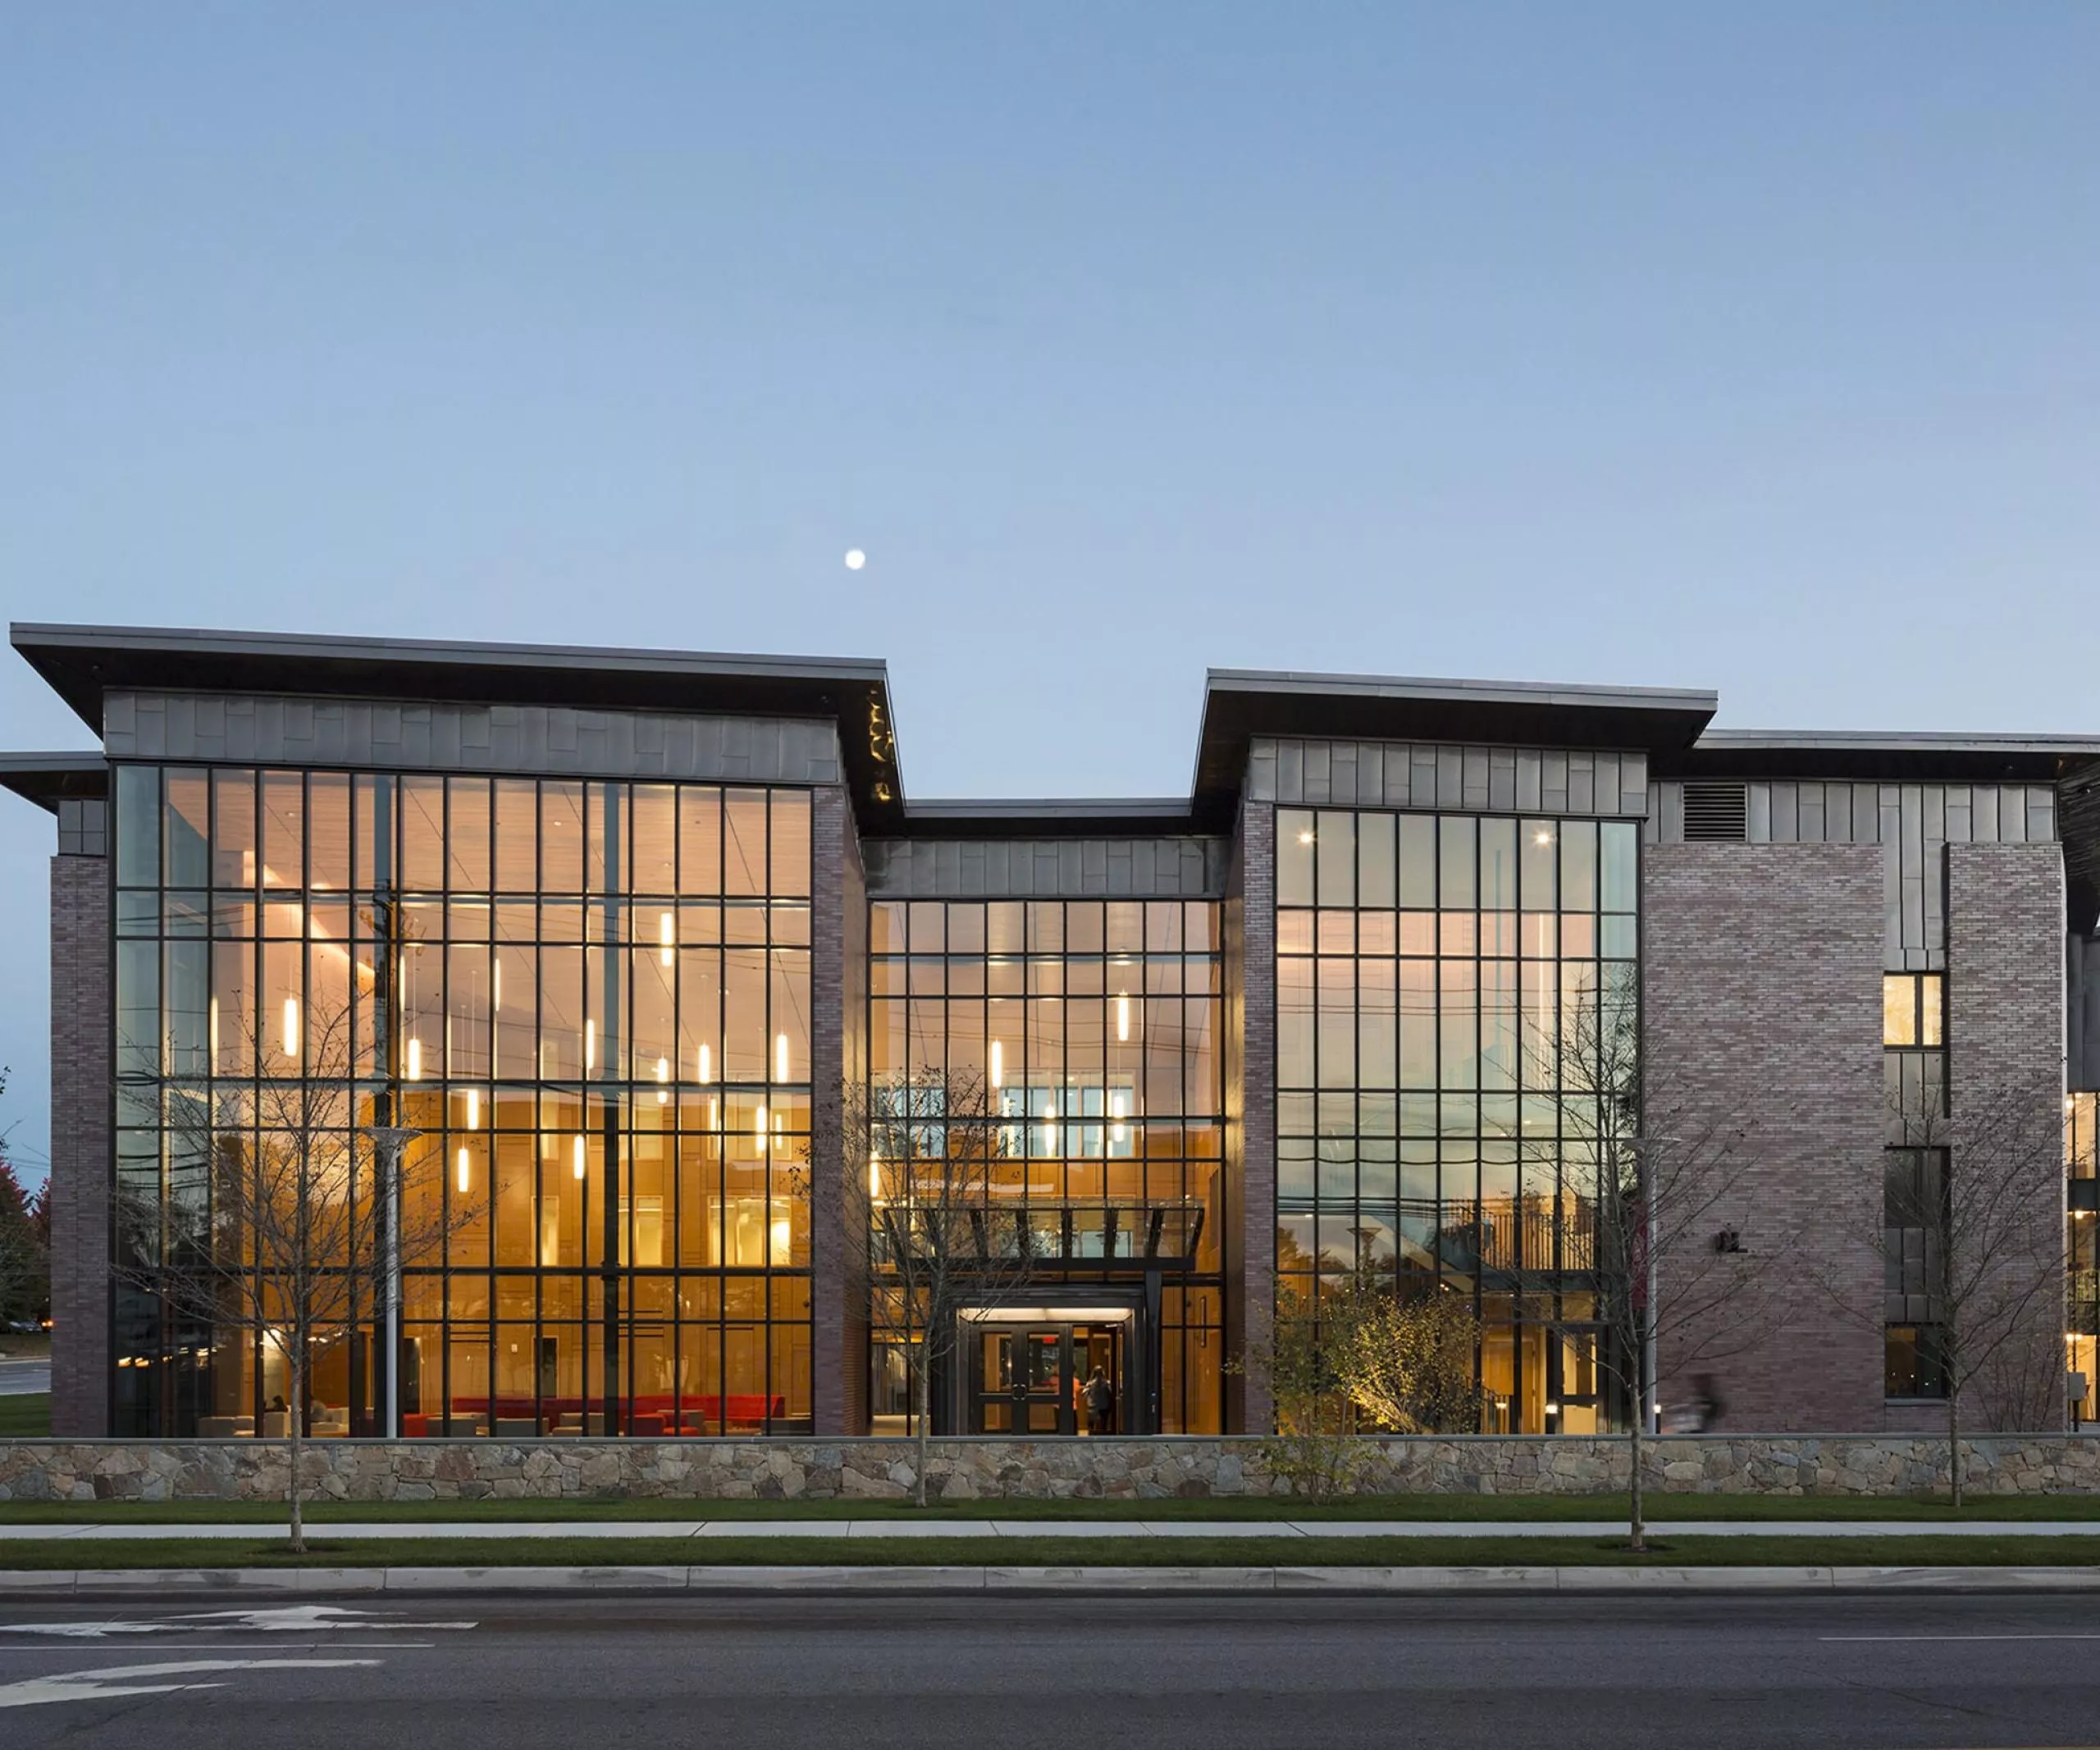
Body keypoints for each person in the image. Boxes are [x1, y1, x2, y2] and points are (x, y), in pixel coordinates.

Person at [1084, 1366, 1115, 1437]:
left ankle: (1091, 1433)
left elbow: (1084, 1394)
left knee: (1091, 1423)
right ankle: (1103, 1434)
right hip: (1104, 1406)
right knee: (1104, 1423)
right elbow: (1111, 1393)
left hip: (1092, 1406)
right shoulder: (1107, 1383)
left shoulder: (1090, 1384)